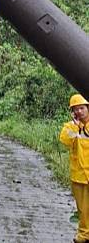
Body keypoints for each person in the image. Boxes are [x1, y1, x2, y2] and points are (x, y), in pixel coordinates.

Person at [60, 94, 89, 243]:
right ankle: (84, 235)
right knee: (83, 210)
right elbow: (65, 140)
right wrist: (75, 125)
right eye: (76, 109)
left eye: (82, 108)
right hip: (79, 175)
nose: (79, 112)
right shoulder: (70, 127)